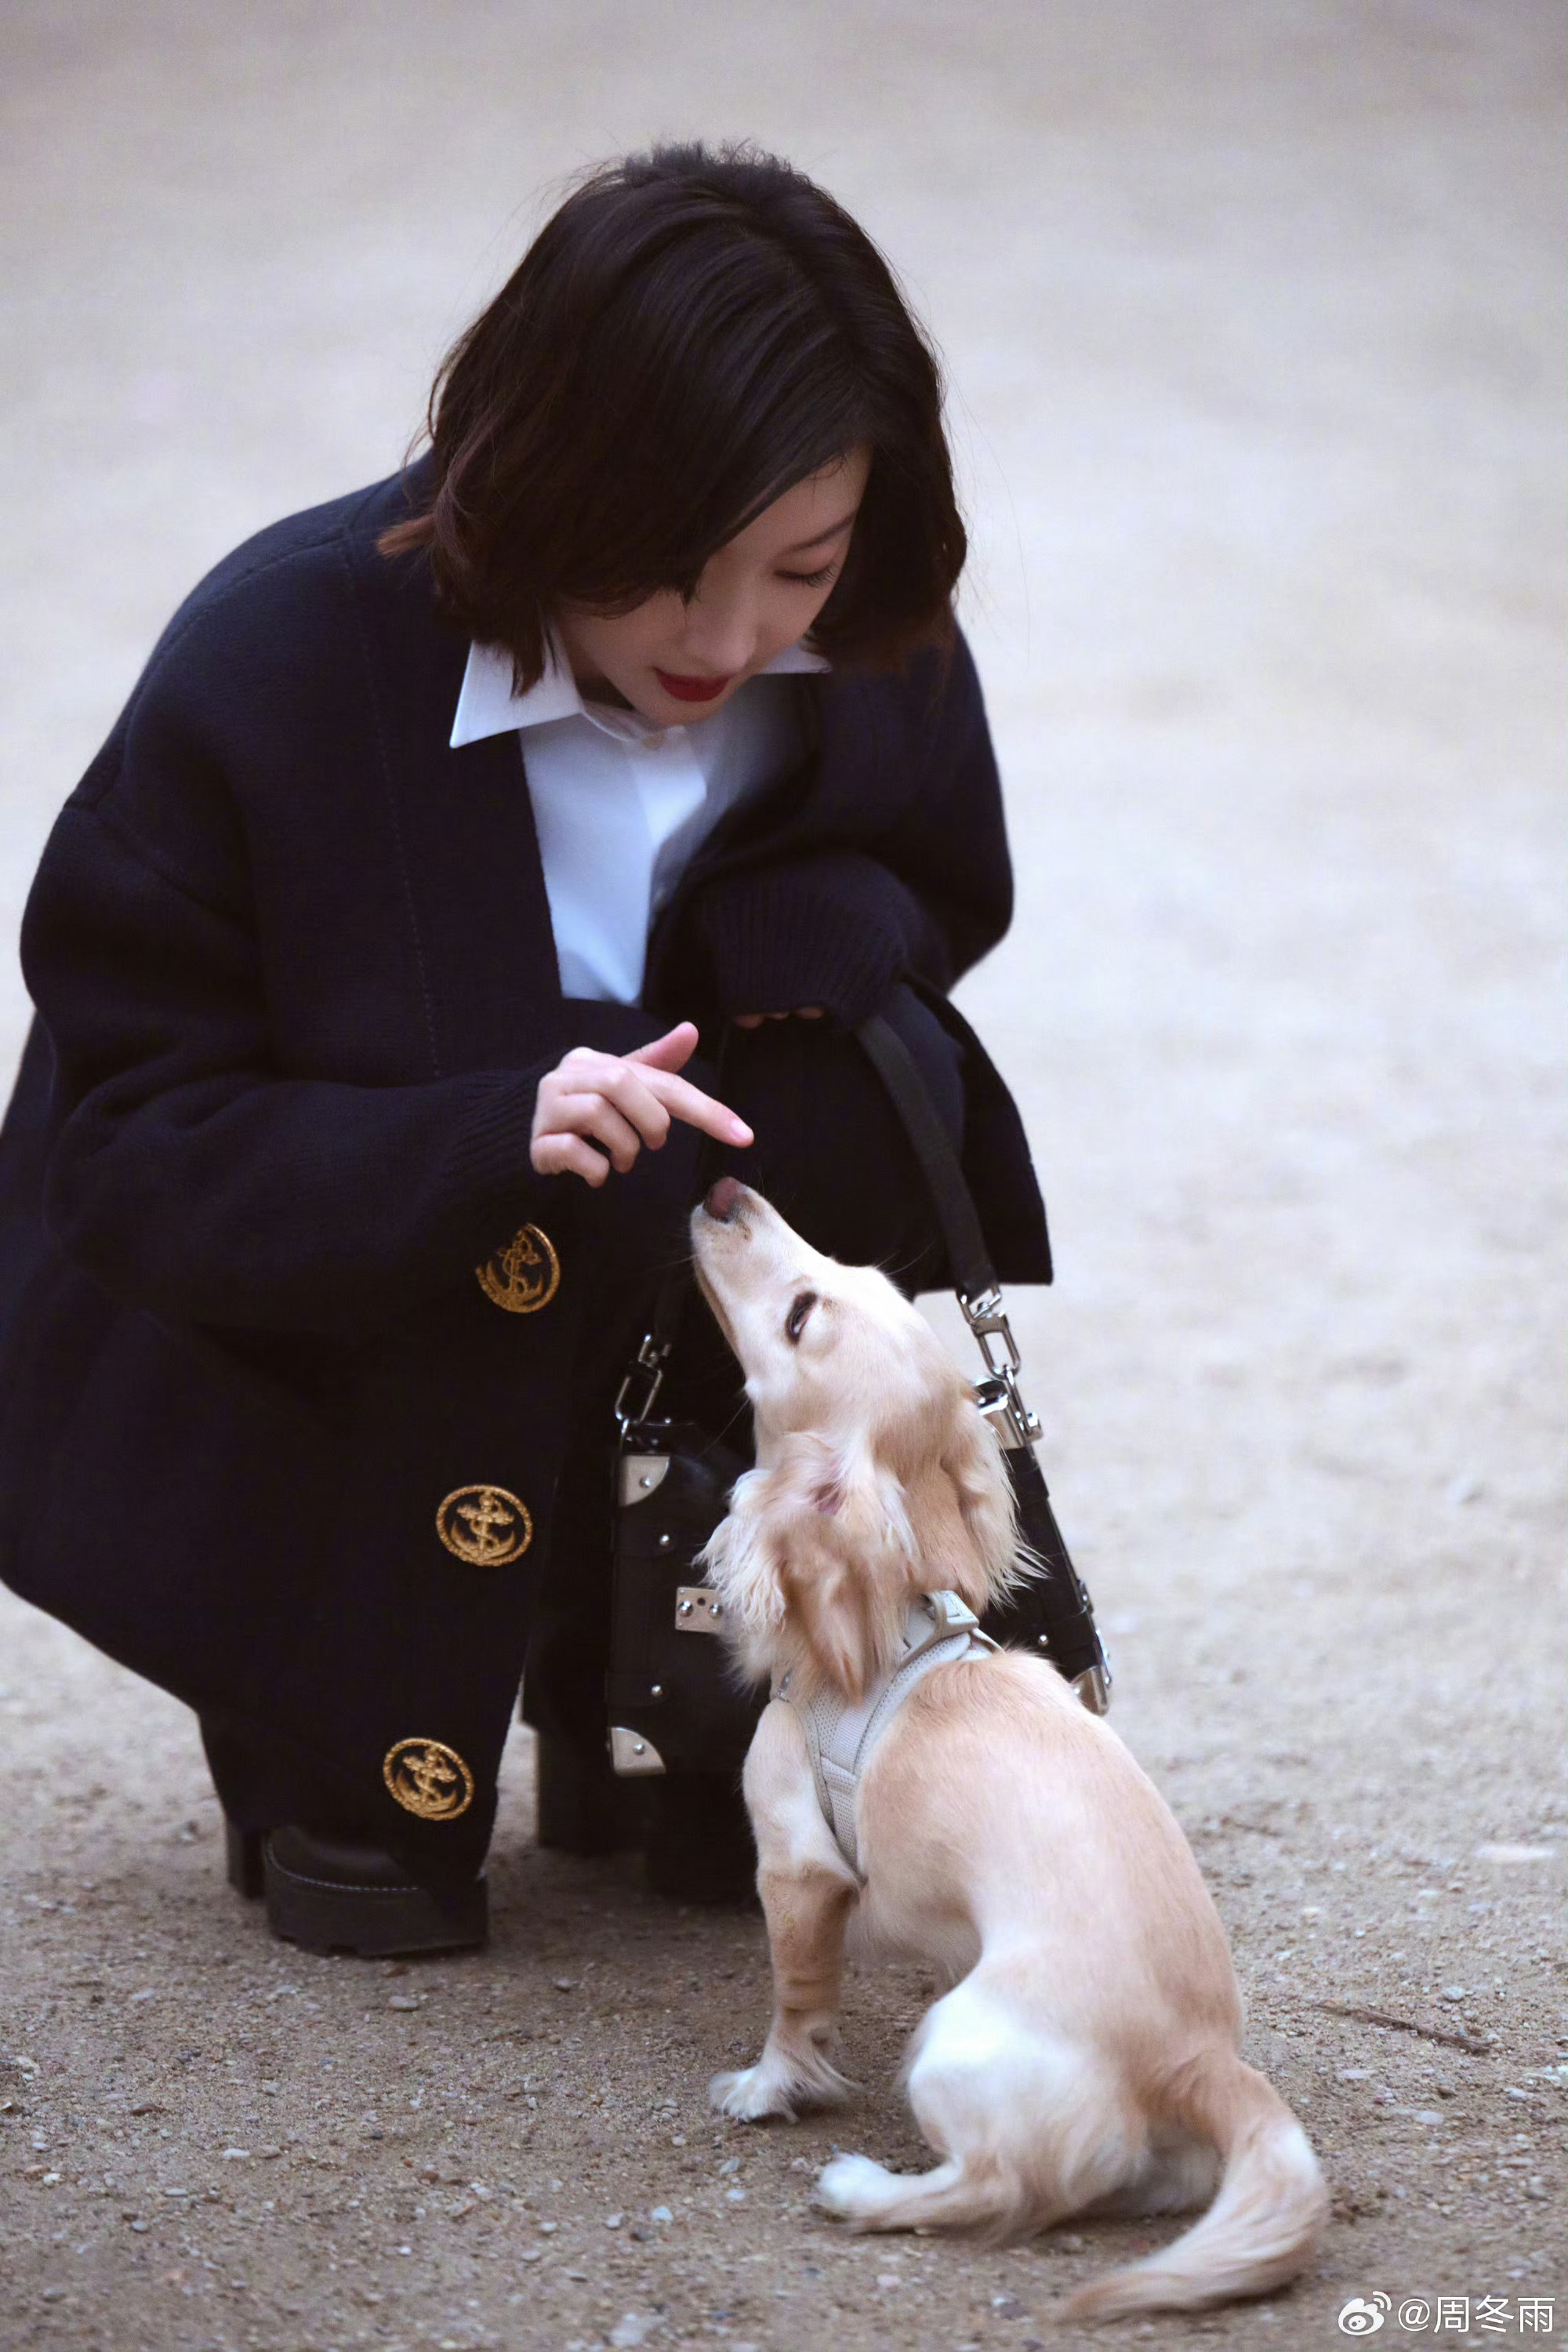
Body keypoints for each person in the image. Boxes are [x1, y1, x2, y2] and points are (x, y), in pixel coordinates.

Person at [0, 142, 1050, 1955]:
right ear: (538, 483)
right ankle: (340, 1734)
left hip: (671, 1264)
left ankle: (658, 1686)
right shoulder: (281, 657)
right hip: (311, 1291)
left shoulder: (864, 627)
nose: (731, 642)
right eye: (662, 576)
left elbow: (949, 887)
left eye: (796, 566)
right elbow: (133, 1139)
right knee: (507, 1218)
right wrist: (480, 1124)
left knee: (811, 1106)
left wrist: (817, 904)